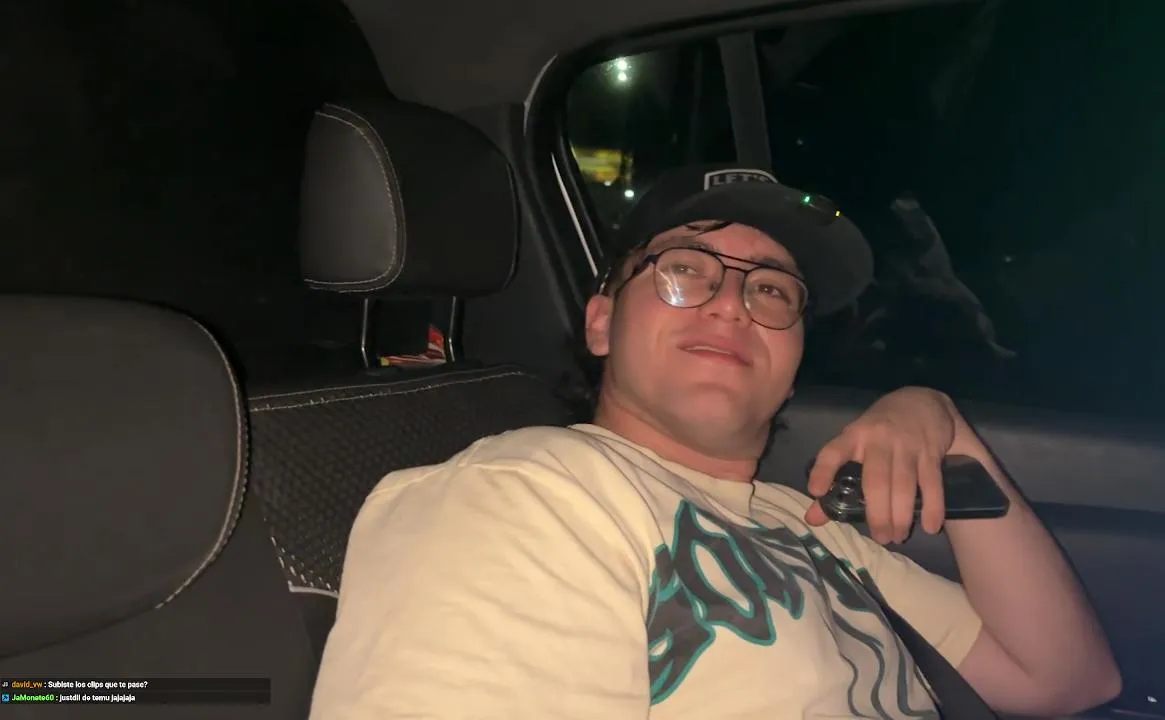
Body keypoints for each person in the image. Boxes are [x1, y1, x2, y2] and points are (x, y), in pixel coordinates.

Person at [309, 164, 1121, 719]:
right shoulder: (523, 496)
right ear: (602, 322)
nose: (732, 303)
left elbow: (1065, 679)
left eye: (771, 290)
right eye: (685, 270)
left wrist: (942, 420)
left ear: (792, 365)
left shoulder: (811, 524)